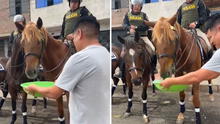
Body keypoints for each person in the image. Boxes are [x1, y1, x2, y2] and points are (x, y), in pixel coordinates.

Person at [25, 16, 110, 124]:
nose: (73, 40)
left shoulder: (78, 58)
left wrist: (34, 88)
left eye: (74, 37)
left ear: (79, 33)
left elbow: (54, 93)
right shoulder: (105, 53)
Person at [161, 13, 220, 88]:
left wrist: (196, 23)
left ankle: (207, 61)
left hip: (197, 29)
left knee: (207, 45)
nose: (211, 41)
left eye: (211, 37)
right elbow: (178, 20)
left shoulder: (199, 3)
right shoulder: (182, 7)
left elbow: (204, 16)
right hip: (184, 30)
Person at [116, 0, 156, 77]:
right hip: (130, 38)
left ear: (140, 7)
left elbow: (147, 26)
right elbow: (124, 25)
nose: (136, 7)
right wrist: (129, 28)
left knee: (153, 49)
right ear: (132, 6)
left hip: (142, 37)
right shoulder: (127, 15)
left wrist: (137, 28)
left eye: (138, 6)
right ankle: (121, 71)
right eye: (135, 5)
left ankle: (153, 68)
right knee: (122, 53)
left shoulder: (144, 15)